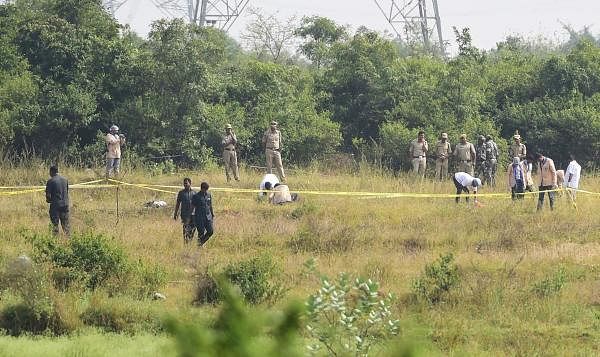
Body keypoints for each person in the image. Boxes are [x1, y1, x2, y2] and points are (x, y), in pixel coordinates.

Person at [45, 165, 70, 236]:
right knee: (66, 225)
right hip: (65, 205)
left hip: (55, 206)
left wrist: (49, 200)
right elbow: (66, 192)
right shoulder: (65, 180)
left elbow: (48, 196)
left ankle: (55, 242)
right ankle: (68, 239)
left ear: (51, 171)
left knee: (55, 225)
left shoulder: (51, 181)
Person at [174, 178, 196, 244]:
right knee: (186, 228)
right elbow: (178, 203)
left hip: (193, 214)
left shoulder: (194, 193)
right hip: (185, 214)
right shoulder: (181, 193)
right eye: (184, 183)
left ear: (190, 183)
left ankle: (190, 240)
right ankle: (186, 242)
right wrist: (175, 213)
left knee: (193, 228)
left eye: (186, 183)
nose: (185, 185)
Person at [192, 182, 214, 246]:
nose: (206, 191)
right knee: (201, 232)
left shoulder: (208, 195)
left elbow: (210, 205)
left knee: (210, 231)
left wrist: (212, 214)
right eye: (205, 189)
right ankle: (199, 246)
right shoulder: (196, 196)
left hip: (208, 217)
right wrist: (191, 216)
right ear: (201, 188)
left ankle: (200, 243)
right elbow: (192, 207)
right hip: (199, 217)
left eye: (207, 189)